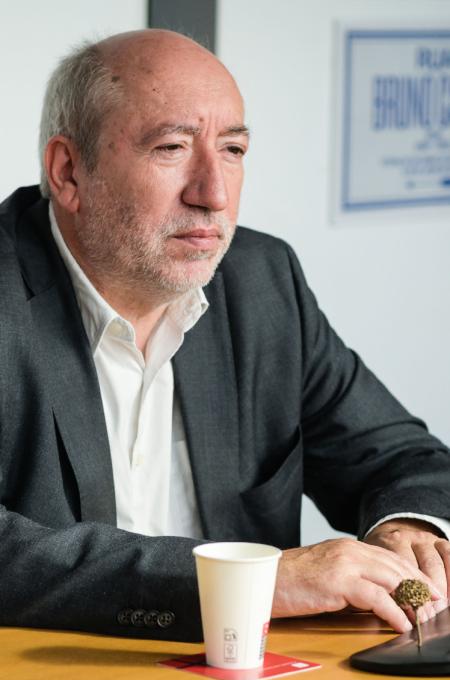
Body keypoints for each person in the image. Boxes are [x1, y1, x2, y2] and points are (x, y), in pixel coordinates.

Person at [1, 29, 450, 643]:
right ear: (68, 171)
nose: (213, 194)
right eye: (171, 148)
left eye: (233, 149)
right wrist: (250, 581)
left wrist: (406, 530)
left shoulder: (261, 283)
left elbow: (401, 458)